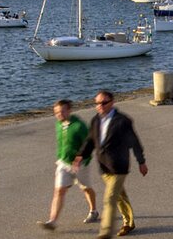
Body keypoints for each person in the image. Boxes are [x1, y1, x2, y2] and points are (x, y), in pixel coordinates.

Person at [74, 91, 148, 238]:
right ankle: (129, 222)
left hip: (119, 166)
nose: (100, 106)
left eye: (103, 103)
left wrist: (141, 162)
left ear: (112, 102)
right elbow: (90, 141)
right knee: (119, 196)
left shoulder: (123, 121)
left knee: (109, 198)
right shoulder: (96, 120)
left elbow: (134, 142)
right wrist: (80, 156)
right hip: (104, 167)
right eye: (97, 103)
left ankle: (105, 232)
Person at [38, 99, 99, 231]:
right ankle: (52, 221)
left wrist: (81, 159)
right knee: (59, 190)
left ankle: (93, 211)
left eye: (62, 111)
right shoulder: (58, 124)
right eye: (56, 112)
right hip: (63, 163)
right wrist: (60, 157)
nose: (59, 114)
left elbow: (90, 144)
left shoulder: (79, 126)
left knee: (86, 189)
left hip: (81, 164)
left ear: (69, 110)